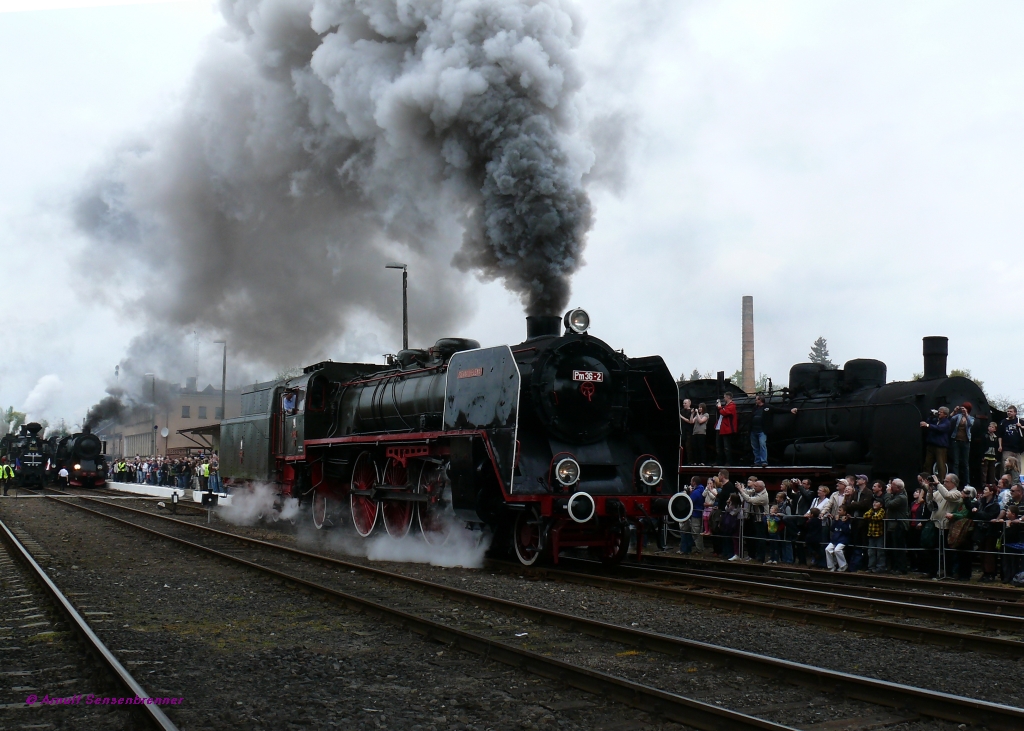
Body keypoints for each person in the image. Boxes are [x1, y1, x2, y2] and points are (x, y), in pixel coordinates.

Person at [748, 394, 798, 467]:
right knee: (755, 447)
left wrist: (790, 410)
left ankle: (764, 461)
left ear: (760, 400)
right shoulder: (755, 408)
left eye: (756, 399)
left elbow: (778, 410)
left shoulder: (768, 407)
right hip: (753, 430)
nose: (755, 401)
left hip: (762, 430)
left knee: (762, 444)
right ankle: (757, 462)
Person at [972, 484, 1002, 581]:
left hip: (990, 531)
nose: (984, 491)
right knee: (982, 552)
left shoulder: (995, 504)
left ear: (991, 492)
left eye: (986, 489)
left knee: (989, 553)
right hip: (981, 531)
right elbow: (973, 507)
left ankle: (990, 573)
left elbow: (988, 516)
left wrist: (977, 512)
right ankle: (985, 571)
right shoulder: (981, 502)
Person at [739, 479, 770, 563]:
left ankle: (761, 558)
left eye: (755, 486)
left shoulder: (763, 496)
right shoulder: (757, 491)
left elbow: (750, 500)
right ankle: (756, 556)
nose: (754, 488)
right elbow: (748, 492)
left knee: (761, 539)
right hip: (756, 519)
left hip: (762, 520)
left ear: (760, 487)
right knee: (756, 539)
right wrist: (741, 489)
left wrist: (741, 491)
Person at [883, 478, 909, 574]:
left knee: (899, 548)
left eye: (892, 486)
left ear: (898, 488)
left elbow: (888, 504)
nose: (890, 487)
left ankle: (901, 568)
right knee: (893, 547)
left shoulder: (901, 497)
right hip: (894, 524)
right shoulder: (897, 494)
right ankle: (895, 567)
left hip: (899, 524)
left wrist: (888, 494)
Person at [920, 406, 952, 479]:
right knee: (927, 464)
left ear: (945, 415)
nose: (939, 413)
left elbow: (939, 428)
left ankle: (941, 481)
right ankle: (926, 480)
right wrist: (931, 417)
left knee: (940, 465)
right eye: (939, 411)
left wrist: (928, 425)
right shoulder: (935, 420)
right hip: (931, 445)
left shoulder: (947, 422)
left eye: (941, 412)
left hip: (940, 447)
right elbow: (929, 422)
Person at [948, 403, 974, 488]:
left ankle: (967, 482)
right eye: (962, 408)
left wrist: (966, 415)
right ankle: (955, 482)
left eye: (965, 408)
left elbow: (970, 424)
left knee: (965, 463)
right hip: (956, 440)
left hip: (966, 442)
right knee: (956, 462)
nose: (963, 410)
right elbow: (950, 419)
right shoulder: (958, 416)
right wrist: (954, 411)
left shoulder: (971, 417)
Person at [825, 505, 852, 571]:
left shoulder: (847, 520)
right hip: (835, 539)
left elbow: (847, 531)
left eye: (840, 510)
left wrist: (842, 522)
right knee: (827, 549)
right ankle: (831, 566)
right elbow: (832, 529)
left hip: (843, 540)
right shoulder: (837, 519)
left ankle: (843, 565)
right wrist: (836, 521)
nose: (838, 512)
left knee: (837, 550)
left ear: (845, 512)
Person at [998, 406, 1024, 475]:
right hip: (1007, 448)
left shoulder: (1020, 421)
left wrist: (1021, 426)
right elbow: (1000, 435)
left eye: (1011, 411)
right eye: (1008, 411)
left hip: (1017, 449)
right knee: (1005, 467)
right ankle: (1004, 483)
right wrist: (1000, 446)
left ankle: (1015, 483)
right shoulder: (1003, 422)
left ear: (1015, 413)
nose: (1009, 413)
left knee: (1017, 468)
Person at [863, 498, 886, 573]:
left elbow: (878, 517)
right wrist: (872, 515)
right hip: (871, 534)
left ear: (881, 505)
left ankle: (880, 567)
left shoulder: (882, 511)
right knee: (871, 552)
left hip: (879, 534)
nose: (874, 504)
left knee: (880, 552)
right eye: (873, 502)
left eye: (876, 502)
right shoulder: (871, 510)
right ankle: (871, 567)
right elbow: (865, 516)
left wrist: (871, 517)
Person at [715, 392, 737, 465]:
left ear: (728, 397)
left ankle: (729, 461)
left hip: (726, 429)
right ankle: (719, 461)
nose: (724, 398)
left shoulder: (732, 405)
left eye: (725, 397)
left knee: (727, 447)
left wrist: (719, 407)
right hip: (720, 428)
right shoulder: (726, 406)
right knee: (719, 446)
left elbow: (724, 413)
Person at [982, 421, 1000, 486]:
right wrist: (982, 456)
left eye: (992, 427)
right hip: (986, 455)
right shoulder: (985, 435)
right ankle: (983, 484)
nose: (990, 428)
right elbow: (982, 446)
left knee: (992, 471)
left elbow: (996, 447)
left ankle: (992, 483)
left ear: (995, 429)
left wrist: (996, 457)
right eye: (989, 426)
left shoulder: (995, 437)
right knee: (984, 471)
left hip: (993, 456)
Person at [680, 399, 694, 465]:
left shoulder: (692, 411)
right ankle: (682, 461)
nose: (684, 404)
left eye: (685, 403)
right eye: (683, 403)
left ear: (689, 403)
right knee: (682, 447)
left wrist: (681, 416)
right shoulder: (681, 411)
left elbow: (689, 421)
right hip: (682, 431)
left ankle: (690, 461)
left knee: (689, 447)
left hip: (689, 431)